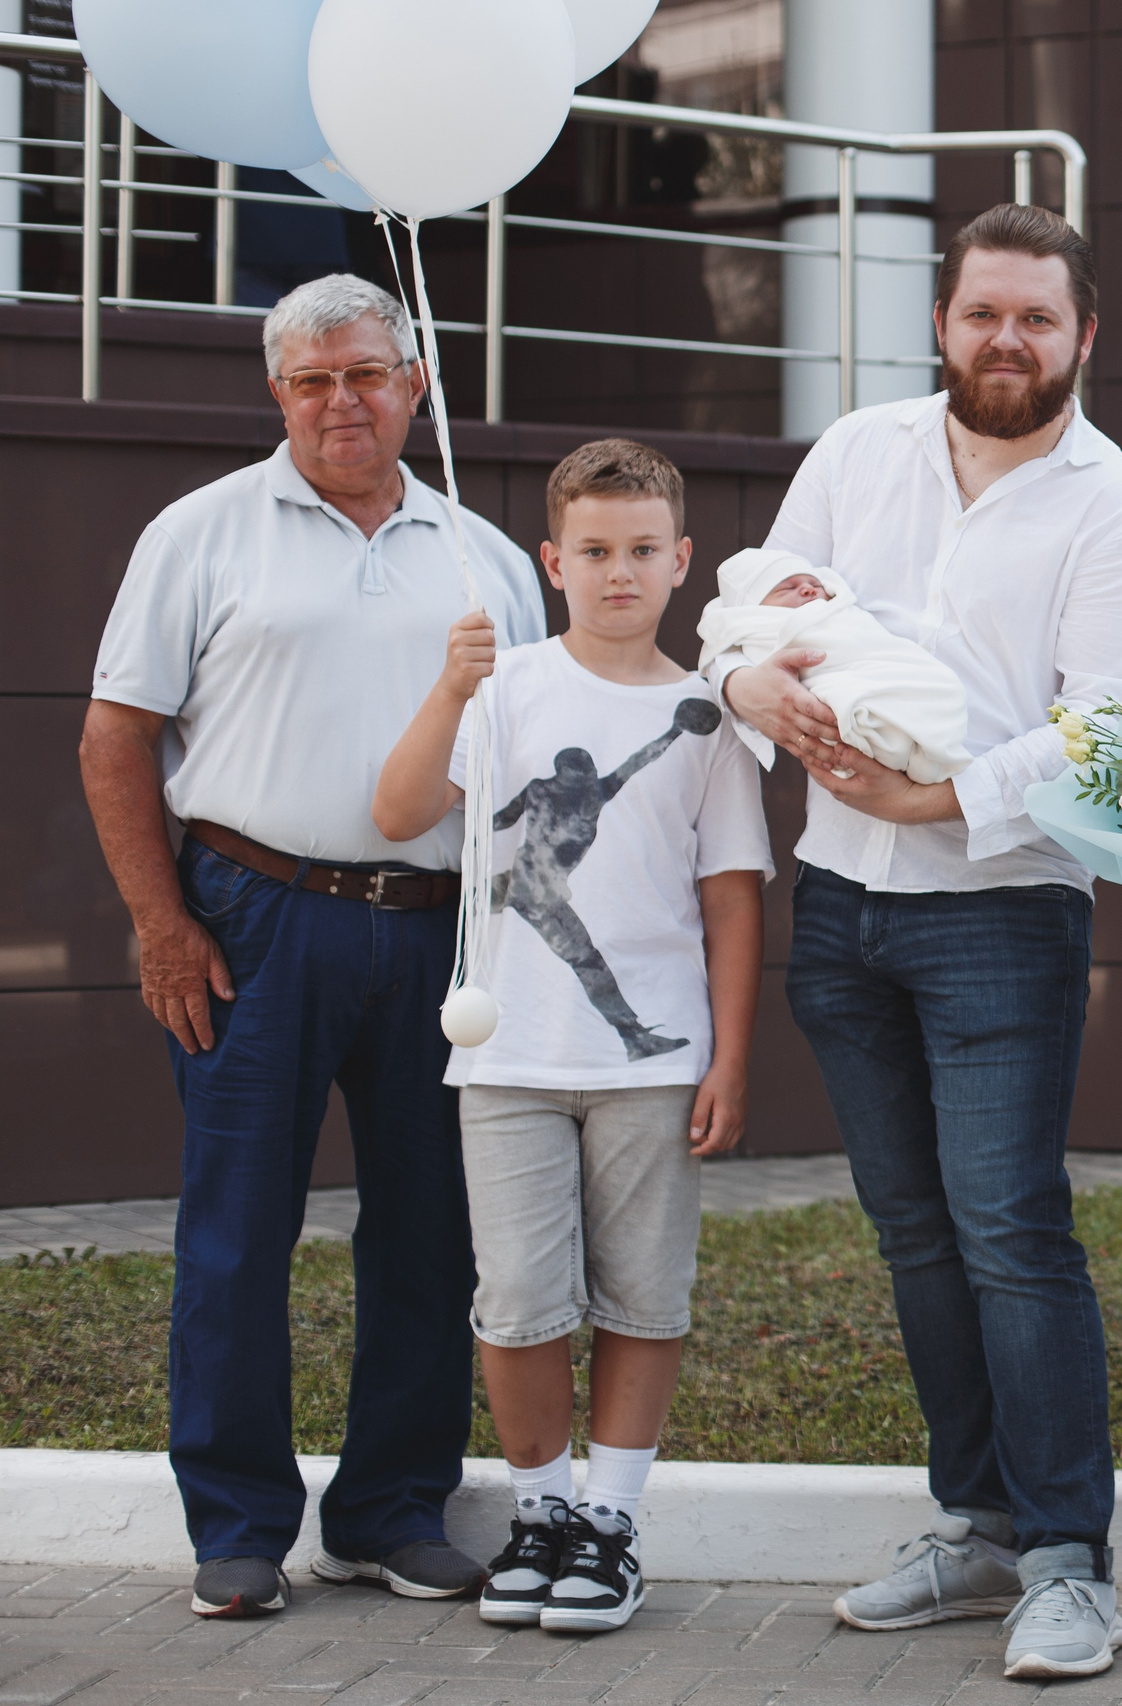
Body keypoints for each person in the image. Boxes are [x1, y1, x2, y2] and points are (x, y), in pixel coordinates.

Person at [715, 203, 1122, 1682]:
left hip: (1002, 908)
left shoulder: (1116, 510)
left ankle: (1068, 1559)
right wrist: (744, 687)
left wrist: (935, 797)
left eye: (1036, 318)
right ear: (942, 321)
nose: (1007, 340)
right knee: (914, 1231)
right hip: (839, 901)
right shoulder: (859, 452)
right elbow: (743, 609)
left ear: (1084, 334)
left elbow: (1109, 731)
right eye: (984, 312)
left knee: (1010, 1232)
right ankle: (977, 1524)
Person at [79, 274, 546, 1618]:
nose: (341, 401)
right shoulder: (201, 532)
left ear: (415, 385)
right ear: (277, 393)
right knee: (237, 1230)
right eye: (310, 380)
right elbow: (114, 735)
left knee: (431, 1230)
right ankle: (237, 1524)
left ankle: (390, 1509)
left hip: (438, 931)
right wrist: (161, 922)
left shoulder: (486, 557)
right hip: (254, 916)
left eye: (365, 373)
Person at [371, 440, 772, 1633]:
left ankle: (611, 1521)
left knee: (644, 1293)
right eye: (594, 550)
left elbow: (731, 897)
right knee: (517, 1298)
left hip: (653, 1067)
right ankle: (542, 1512)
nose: (618, 571)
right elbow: (398, 811)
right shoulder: (503, 690)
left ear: (682, 560)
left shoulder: (707, 717)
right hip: (507, 1055)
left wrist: (729, 1056)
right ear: (552, 562)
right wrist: (449, 691)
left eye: (642, 549)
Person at [694, 546, 974, 786]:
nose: (807, 589)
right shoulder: (759, 628)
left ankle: (920, 740)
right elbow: (727, 651)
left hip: (878, 665)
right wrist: (739, 683)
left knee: (940, 685)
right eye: (788, 588)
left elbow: (872, 644)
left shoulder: (842, 612)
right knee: (850, 703)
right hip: (833, 682)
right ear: (754, 609)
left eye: (814, 584)